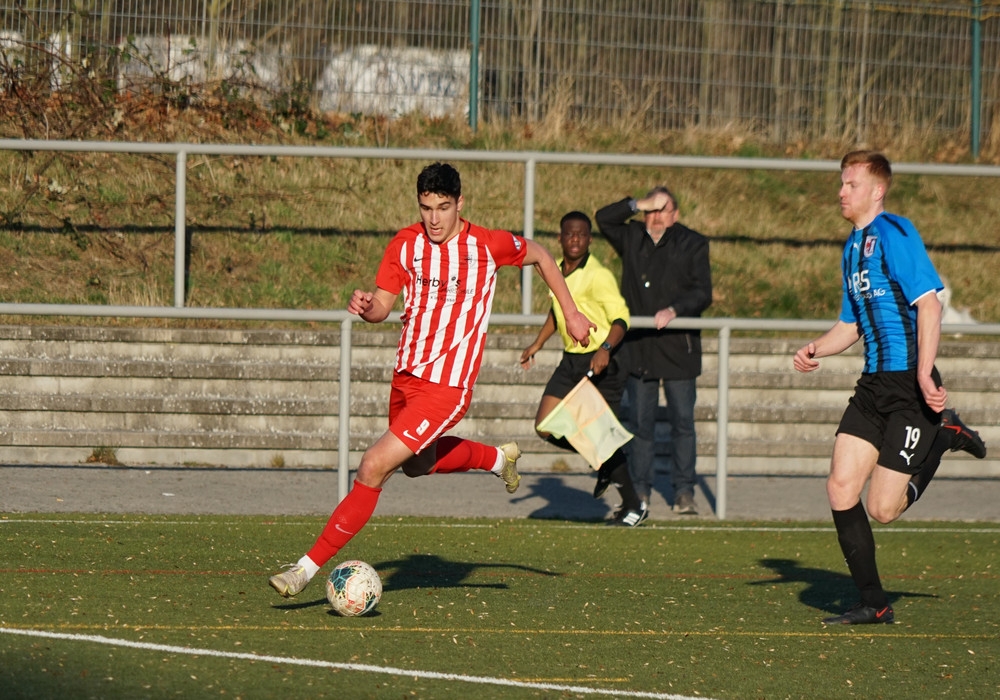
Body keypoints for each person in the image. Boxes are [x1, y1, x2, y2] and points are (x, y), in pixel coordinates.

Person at [268, 162, 596, 598]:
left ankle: (304, 570)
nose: (434, 218)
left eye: (443, 207)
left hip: (447, 386)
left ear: (460, 203)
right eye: (426, 208)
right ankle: (497, 459)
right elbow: (383, 305)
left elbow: (539, 254)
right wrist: (366, 307)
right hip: (406, 376)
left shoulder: (487, 245)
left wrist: (571, 313)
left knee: (372, 465)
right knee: (416, 466)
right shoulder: (405, 244)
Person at [792, 150, 987, 625]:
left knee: (882, 508)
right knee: (840, 488)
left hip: (909, 388)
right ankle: (874, 602)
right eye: (841, 183)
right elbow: (850, 324)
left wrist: (925, 372)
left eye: (851, 184)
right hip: (872, 387)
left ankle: (941, 438)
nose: (841, 192)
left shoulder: (896, 233)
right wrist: (816, 348)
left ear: (877, 191)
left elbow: (929, 305)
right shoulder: (851, 247)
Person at [519, 211, 648, 526]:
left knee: (600, 436)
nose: (575, 239)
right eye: (569, 233)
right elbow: (558, 311)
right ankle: (602, 463)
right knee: (544, 425)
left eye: (581, 234)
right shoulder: (555, 269)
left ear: (590, 240)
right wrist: (538, 343)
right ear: (560, 238)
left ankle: (634, 506)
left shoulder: (598, 275)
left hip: (601, 362)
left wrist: (605, 349)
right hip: (571, 359)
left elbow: (621, 319)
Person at [595, 187, 713, 516]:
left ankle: (684, 491)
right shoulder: (632, 236)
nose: (656, 216)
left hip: (678, 348)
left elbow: (703, 292)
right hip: (639, 349)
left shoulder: (693, 243)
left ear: (676, 215)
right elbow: (603, 219)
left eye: (663, 209)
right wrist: (636, 204)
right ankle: (640, 490)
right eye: (651, 210)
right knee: (640, 424)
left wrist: (675, 310)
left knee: (682, 423)